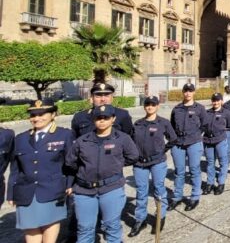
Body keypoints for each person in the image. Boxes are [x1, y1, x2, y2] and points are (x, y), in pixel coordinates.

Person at [66, 104, 139, 243]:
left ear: (113, 119)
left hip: (111, 188)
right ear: (93, 119)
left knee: (112, 227)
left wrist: (114, 165)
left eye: (106, 117)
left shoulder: (122, 138)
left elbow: (133, 156)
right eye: (98, 117)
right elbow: (70, 162)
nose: (102, 120)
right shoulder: (83, 140)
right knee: (85, 229)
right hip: (85, 191)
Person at [7, 100, 70, 243]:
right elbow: (15, 168)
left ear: (53, 114)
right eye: (33, 115)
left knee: (50, 227)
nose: (36, 118)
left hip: (52, 190)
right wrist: (11, 192)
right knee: (30, 229)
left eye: (42, 114)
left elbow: (70, 164)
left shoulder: (64, 135)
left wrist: (69, 185)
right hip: (25, 191)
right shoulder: (21, 138)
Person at [129, 96, 177, 237]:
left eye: (152, 105)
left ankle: (160, 217)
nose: (150, 107)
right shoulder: (137, 124)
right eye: (147, 104)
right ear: (144, 107)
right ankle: (140, 219)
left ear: (157, 106)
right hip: (140, 163)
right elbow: (131, 142)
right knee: (141, 191)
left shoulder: (163, 123)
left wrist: (163, 150)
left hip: (157, 162)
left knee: (158, 188)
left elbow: (173, 139)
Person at [168, 83, 207, 212]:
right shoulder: (177, 109)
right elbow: (172, 126)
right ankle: (177, 197)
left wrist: (195, 135)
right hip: (178, 144)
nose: (188, 93)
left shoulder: (200, 108)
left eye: (190, 91)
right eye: (186, 91)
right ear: (183, 92)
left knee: (194, 170)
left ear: (194, 92)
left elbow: (204, 124)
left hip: (194, 142)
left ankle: (195, 197)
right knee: (179, 172)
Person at [202, 93, 230, 196]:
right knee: (210, 163)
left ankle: (221, 183)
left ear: (221, 101)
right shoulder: (207, 112)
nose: (215, 102)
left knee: (223, 162)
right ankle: (209, 184)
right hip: (208, 141)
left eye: (218, 100)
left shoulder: (226, 112)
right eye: (214, 100)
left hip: (220, 140)